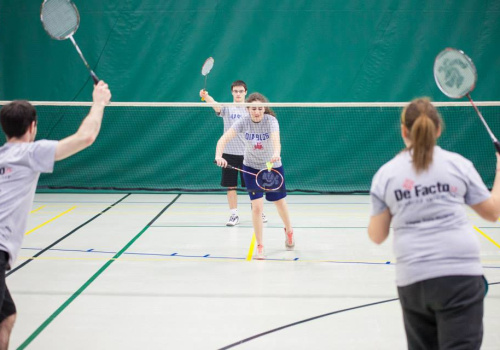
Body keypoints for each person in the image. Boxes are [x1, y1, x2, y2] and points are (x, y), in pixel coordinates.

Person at [368, 97, 500, 349]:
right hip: (460, 278)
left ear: (404, 130)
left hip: (414, 281)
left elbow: (377, 235)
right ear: (438, 129)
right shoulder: (458, 165)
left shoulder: (386, 174)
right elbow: (492, 212)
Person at [0, 81, 111, 349]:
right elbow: (85, 137)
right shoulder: (30, 153)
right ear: (32, 128)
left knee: (7, 317)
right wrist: (99, 102)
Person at [214, 92, 294, 259]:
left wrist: (277, 153)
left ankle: (289, 230)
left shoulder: (270, 121)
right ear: (248, 109)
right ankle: (260, 245)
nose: (256, 112)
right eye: (253, 109)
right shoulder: (243, 122)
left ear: (263, 108)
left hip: (271, 166)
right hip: (250, 167)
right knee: (257, 207)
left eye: (259, 108)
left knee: (279, 203)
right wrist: (218, 156)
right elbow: (223, 140)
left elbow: (276, 141)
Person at [200, 81, 267, 226]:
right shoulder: (227, 109)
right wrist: (206, 97)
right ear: (232, 92)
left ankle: (258, 211)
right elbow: (216, 105)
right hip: (229, 154)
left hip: (248, 154)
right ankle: (234, 215)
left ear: (245, 92)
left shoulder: (250, 109)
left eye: (240, 91)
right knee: (231, 186)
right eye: (235, 91)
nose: (238, 93)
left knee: (253, 186)